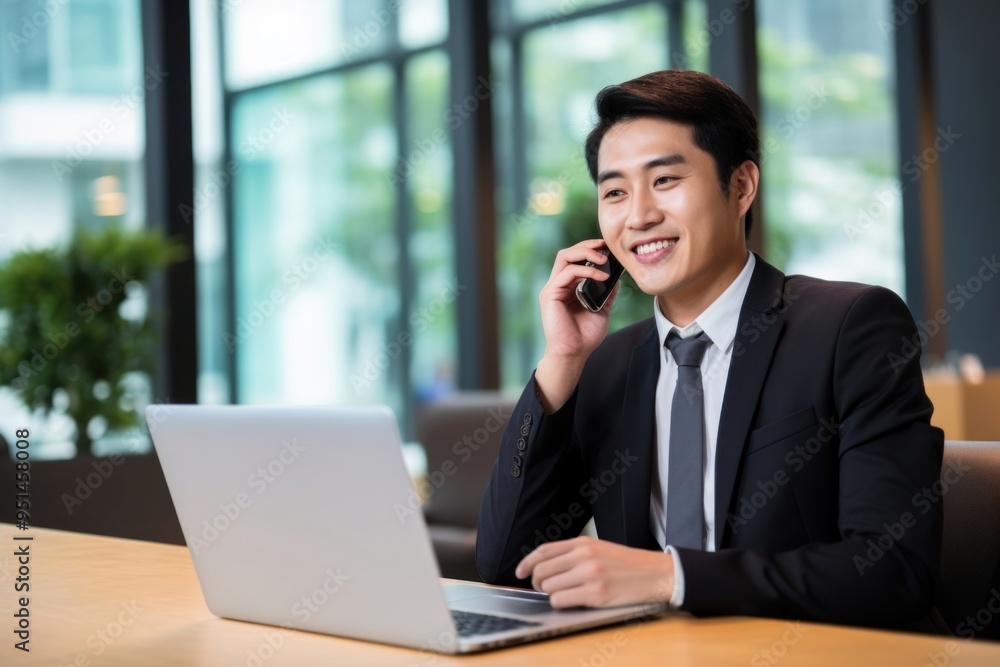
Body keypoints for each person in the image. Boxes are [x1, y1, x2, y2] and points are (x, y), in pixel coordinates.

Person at [476, 69, 943, 628]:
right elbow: (505, 570)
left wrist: (670, 577)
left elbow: (895, 570)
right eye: (615, 192)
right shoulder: (608, 367)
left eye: (666, 180)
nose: (639, 215)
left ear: (742, 187)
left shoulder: (851, 328)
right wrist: (562, 362)